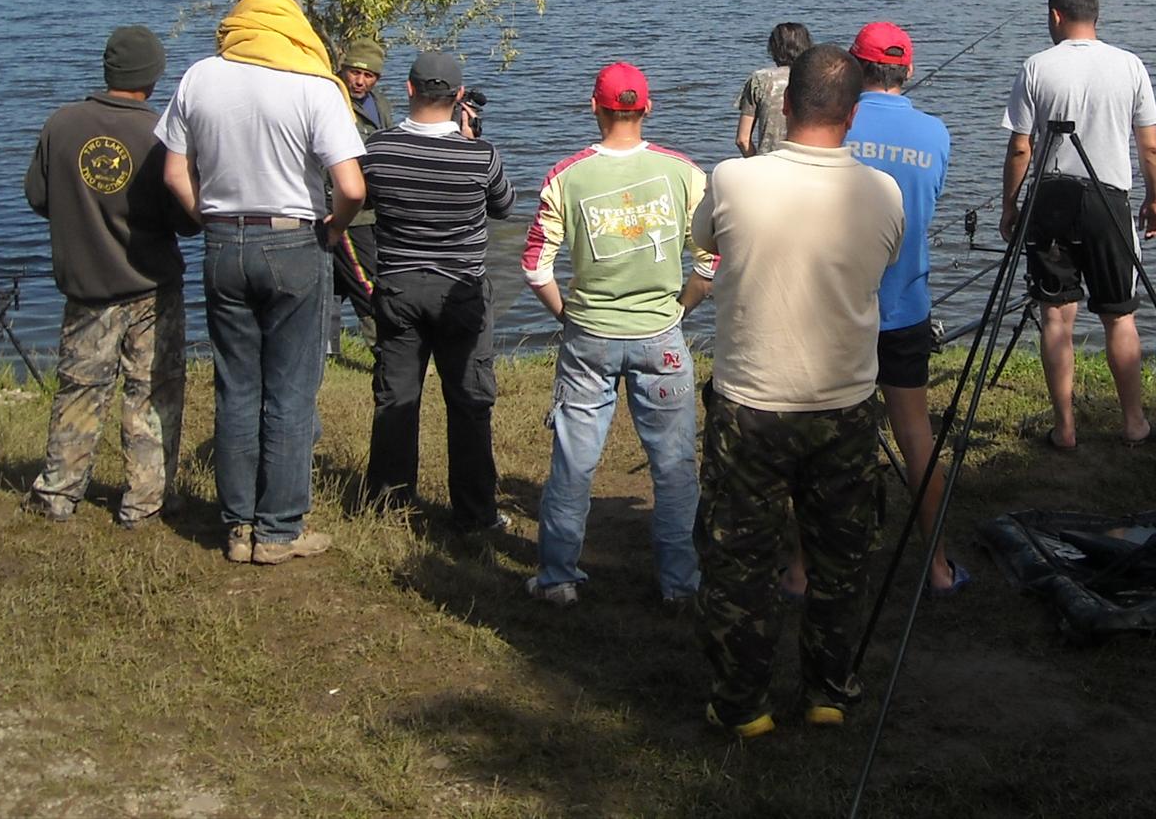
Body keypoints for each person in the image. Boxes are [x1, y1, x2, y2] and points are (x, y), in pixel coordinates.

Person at [691, 44, 905, 737]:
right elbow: (887, 259)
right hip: (843, 405)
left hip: (749, 402)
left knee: (737, 559)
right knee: (841, 559)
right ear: (854, 113)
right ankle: (828, 691)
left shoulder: (732, 179)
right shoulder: (882, 191)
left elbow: (704, 240)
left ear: (783, 105)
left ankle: (742, 703)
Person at [158, 0, 367, 565]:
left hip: (223, 243)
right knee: (292, 391)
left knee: (236, 386)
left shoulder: (200, 75)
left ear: (240, 13)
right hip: (294, 240)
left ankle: (237, 526)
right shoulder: (314, 84)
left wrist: (211, 220)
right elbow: (351, 185)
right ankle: (278, 530)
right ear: (293, 15)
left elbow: (175, 173)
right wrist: (333, 226)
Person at [519, 61, 716, 608]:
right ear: (647, 108)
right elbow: (712, 260)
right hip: (662, 336)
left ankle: (558, 577)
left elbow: (535, 265)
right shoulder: (685, 173)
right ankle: (680, 584)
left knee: (574, 459)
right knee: (674, 466)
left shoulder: (566, 174)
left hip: (589, 336)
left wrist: (567, 313)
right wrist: (681, 308)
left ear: (594, 107)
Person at [22, 25, 197, 528]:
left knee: (79, 389)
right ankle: (145, 502)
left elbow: (38, 197)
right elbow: (186, 219)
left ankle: (57, 493)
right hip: (152, 288)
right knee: (152, 392)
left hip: (86, 287)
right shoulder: (161, 134)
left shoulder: (61, 124)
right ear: (153, 77)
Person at [999, 0, 1156, 451]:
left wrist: (1011, 205)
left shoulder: (1036, 66)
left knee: (1056, 318)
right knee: (1120, 316)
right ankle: (1133, 423)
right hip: (1108, 200)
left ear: (1055, 15)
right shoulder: (1130, 65)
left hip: (1050, 198)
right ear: (1095, 16)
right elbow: (1149, 144)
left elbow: (1019, 149)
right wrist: (1155, 200)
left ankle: (1065, 429)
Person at [360, 50, 515, 533]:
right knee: (468, 401)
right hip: (461, 292)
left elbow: (362, 196)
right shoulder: (479, 156)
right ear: (460, 97)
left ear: (408, 90)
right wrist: (471, 139)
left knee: (396, 397)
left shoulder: (378, 150)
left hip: (398, 288)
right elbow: (504, 206)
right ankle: (474, 514)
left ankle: (389, 505)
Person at [842, 20, 965, 591]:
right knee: (916, 433)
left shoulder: (831, 126)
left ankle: (803, 566)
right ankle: (938, 567)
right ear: (907, 71)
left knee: (825, 434)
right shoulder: (935, 133)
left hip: (838, 309)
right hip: (906, 306)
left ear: (853, 67)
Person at [330, 33, 392, 349]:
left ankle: (326, 349)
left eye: (368, 75)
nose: (360, 81)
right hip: (346, 211)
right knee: (365, 280)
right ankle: (383, 349)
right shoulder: (331, 100)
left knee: (336, 283)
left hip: (373, 208)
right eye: (355, 72)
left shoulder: (379, 103)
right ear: (344, 69)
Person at [733, 21, 812, 157]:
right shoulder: (815, 79)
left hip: (767, 166)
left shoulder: (760, 80)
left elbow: (742, 140)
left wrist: (757, 163)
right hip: (807, 165)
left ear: (774, 48)